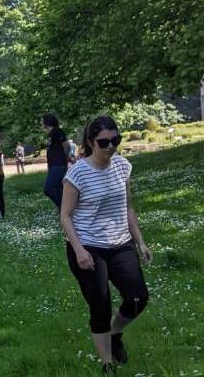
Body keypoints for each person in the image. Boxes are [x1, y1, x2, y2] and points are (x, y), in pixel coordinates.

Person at [60, 116, 151, 374]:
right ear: (91, 142)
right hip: (89, 247)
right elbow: (65, 216)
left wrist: (140, 241)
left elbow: (128, 206)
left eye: (115, 140)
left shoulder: (122, 166)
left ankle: (115, 333)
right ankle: (107, 363)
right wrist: (79, 250)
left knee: (137, 298)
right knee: (100, 305)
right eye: (104, 142)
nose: (111, 146)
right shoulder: (77, 172)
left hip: (120, 243)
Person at [43, 114, 73, 209]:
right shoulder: (51, 134)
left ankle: (64, 208)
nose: (41, 123)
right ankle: (64, 212)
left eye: (42, 120)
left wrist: (65, 158)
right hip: (53, 165)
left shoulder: (57, 131)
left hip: (58, 164)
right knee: (59, 189)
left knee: (48, 188)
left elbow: (67, 146)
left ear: (47, 122)